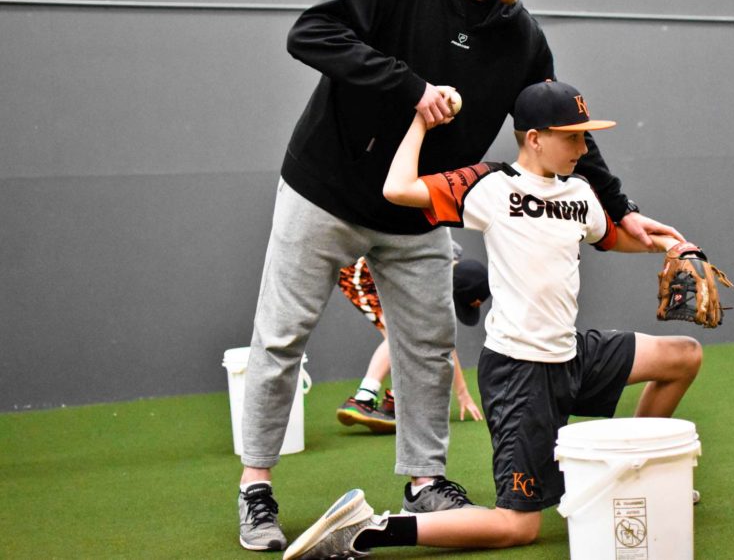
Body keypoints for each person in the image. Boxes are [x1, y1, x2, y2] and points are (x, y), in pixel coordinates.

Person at [237, 0, 682, 552]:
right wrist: (409, 86)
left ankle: (424, 480)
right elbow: (309, 34)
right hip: (324, 189)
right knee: (280, 338)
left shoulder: (522, 38)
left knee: (424, 343)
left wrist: (622, 210)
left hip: (417, 213)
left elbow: (565, 132)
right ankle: (256, 488)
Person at [281, 81, 705, 560]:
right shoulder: (490, 186)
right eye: (573, 137)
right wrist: (421, 121)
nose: (584, 148)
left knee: (682, 356)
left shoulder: (581, 194)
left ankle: (635, 472)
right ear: (535, 138)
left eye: (585, 137)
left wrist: (670, 245)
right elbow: (397, 188)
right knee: (517, 527)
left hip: (570, 353)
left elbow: (612, 236)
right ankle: (374, 529)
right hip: (520, 373)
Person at [335, 248, 488, 433]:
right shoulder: (429, 276)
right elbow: (444, 340)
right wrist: (462, 393)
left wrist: (463, 392)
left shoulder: (443, 264)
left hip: (384, 271)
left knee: (408, 335)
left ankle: (396, 399)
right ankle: (363, 399)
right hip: (359, 268)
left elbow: (443, 338)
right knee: (399, 335)